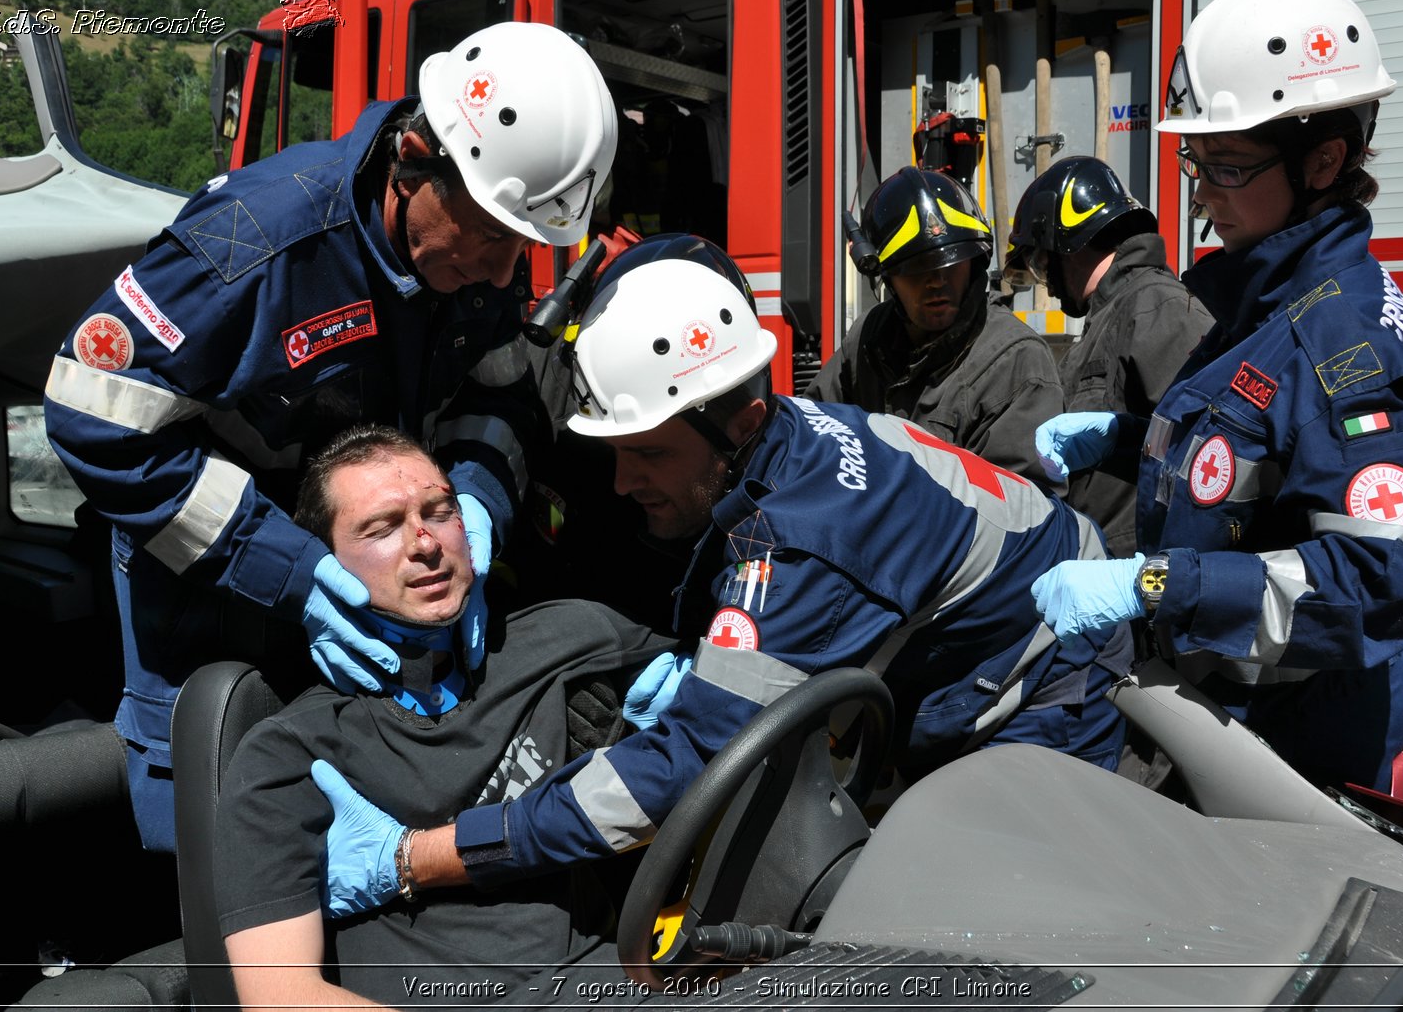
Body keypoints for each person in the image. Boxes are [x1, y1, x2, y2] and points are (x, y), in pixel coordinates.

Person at [308, 236, 1132, 910]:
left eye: (649, 452)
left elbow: (662, 782)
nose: (625, 483)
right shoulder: (795, 430)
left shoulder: (804, 543)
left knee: (991, 937)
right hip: (1002, 628)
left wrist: (423, 858)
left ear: (736, 422)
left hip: (1050, 684)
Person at [43, 21, 618, 851]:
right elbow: (91, 411)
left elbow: (497, 394)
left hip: (380, 601)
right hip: (210, 610)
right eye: (494, 238)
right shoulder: (257, 242)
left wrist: (477, 506)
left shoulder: (476, 241)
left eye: (523, 247)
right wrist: (290, 571)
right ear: (415, 160)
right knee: (217, 852)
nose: (503, 274)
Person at [1031, 0, 1403, 792]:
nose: (1201, 191)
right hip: (1232, 726)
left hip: (1304, 751)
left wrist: (1154, 581)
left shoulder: (1346, 335)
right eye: (1197, 160)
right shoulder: (1265, 300)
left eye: (1226, 167)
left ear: (1324, 161)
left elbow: (1387, 576)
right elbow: (1257, 464)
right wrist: (1129, 443)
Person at [216, 425, 675, 1008]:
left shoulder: (571, 635)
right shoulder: (291, 752)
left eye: (440, 512)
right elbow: (279, 996)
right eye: (381, 528)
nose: (424, 543)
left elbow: (745, 708)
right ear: (325, 567)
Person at [1001, 156, 1214, 556]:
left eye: (1042, 261)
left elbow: (1207, 452)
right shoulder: (1113, 315)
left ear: (1065, 245)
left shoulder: (1155, 306)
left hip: (1144, 580)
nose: (1045, 283)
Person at [806, 167, 1062, 486]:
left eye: (951, 263)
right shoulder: (868, 338)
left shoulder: (1016, 363)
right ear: (887, 277)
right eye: (917, 268)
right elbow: (812, 435)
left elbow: (1023, 517)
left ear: (974, 262)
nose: (937, 281)